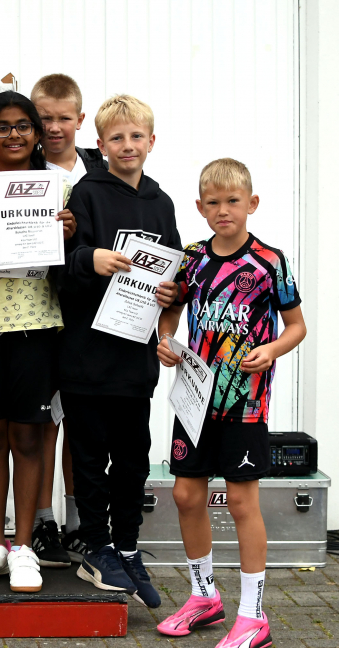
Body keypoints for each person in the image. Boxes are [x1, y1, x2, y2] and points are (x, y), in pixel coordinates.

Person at [156, 158, 305, 647]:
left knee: (242, 502)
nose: (224, 210)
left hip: (245, 403)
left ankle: (253, 614)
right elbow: (173, 307)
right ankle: (205, 597)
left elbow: (297, 326)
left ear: (252, 204)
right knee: (184, 495)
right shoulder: (193, 257)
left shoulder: (270, 261)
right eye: (213, 203)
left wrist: (272, 349)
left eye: (233, 201)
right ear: (200, 208)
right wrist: (165, 338)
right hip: (196, 399)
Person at [57, 94, 180, 608]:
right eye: (116, 138)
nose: (127, 145)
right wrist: (91, 257)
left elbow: (174, 271)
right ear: (100, 143)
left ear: (151, 141)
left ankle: (129, 548)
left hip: (134, 355)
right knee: (89, 457)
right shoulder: (84, 193)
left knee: (132, 460)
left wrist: (173, 296)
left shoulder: (161, 201)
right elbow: (59, 266)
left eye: (136, 136)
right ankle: (98, 548)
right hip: (86, 352)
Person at [0, 91, 75, 593]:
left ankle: (24, 545)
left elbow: (75, 271)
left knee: (28, 436)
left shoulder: (62, 189)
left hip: (39, 325)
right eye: (1, 127)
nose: (13, 135)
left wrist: (69, 239)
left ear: (37, 133)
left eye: (23, 125)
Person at [29, 72, 108, 561]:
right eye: (44, 119)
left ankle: (80, 520)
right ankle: (42, 521)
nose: (54, 127)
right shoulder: (21, 169)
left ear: (80, 119)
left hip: (89, 312)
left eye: (63, 118)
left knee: (82, 419)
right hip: (36, 306)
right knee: (43, 420)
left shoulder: (100, 171)